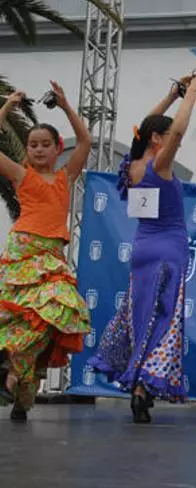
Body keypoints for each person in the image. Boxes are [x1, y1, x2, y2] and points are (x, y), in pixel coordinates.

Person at [89, 74, 196, 423]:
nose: (174, 142)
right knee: (166, 318)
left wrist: (172, 95)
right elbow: (177, 132)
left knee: (139, 316)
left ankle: (137, 381)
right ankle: (143, 383)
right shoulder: (160, 164)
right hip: (169, 249)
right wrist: (192, 94)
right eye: (166, 136)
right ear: (158, 138)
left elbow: (145, 129)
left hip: (141, 248)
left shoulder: (132, 167)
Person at [0, 82, 91, 422]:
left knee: (58, 313)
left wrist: (66, 106)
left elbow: (85, 141)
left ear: (57, 148)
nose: (38, 149)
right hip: (24, 253)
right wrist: (8, 107)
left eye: (45, 144)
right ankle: (16, 379)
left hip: (52, 257)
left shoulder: (66, 177)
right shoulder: (21, 175)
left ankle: (18, 380)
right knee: (26, 317)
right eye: (33, 145)